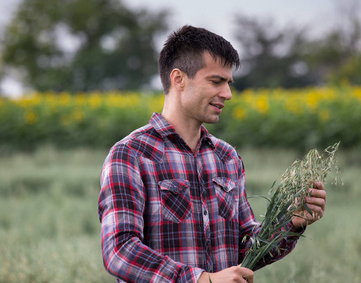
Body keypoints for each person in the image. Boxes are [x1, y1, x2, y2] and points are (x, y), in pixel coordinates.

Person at [98, 25, 327, 283]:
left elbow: (244, 248)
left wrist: (291, 223)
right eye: (216, 81)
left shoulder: (226, 157)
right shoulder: (131, 155)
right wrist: (201, 280)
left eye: (228, 83)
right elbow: (120, 251)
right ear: (179, 79)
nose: (227, 94)